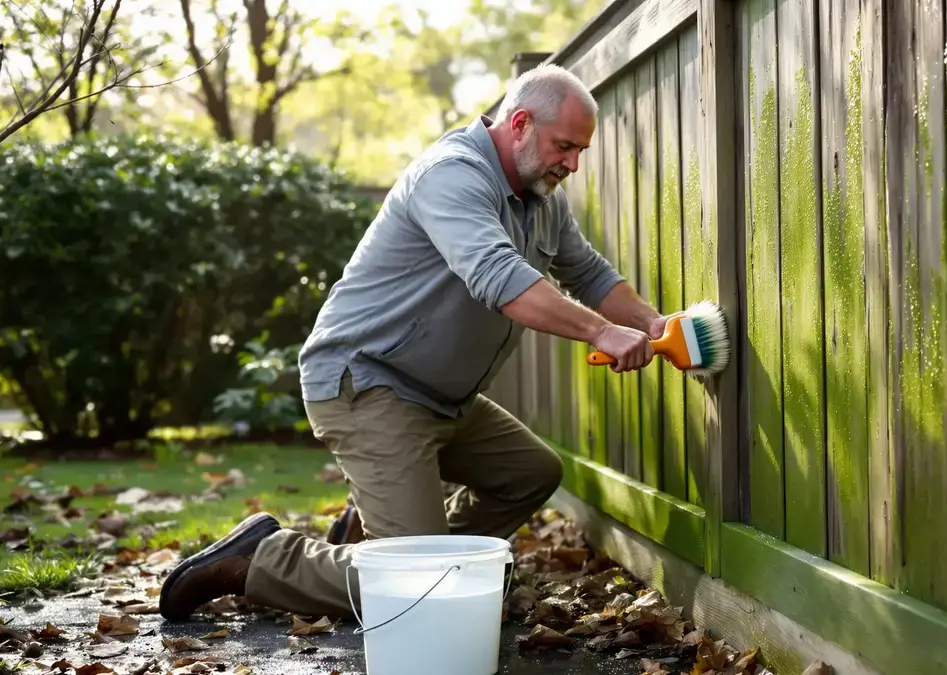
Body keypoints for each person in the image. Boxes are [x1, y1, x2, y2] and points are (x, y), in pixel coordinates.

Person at [158, 64, 670, 622]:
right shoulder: (451, 175)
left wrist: (656, 326)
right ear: (520, 123)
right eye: (565, 146)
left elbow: (589, 274)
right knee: (421, 589)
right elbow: (500, 278)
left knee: (530, 473)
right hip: (368, 384)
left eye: (579, 151)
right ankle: (262, 558)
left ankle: (410, 557)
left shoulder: (541, 198)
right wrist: (599, 331)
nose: (572, 163)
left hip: (442, 399)